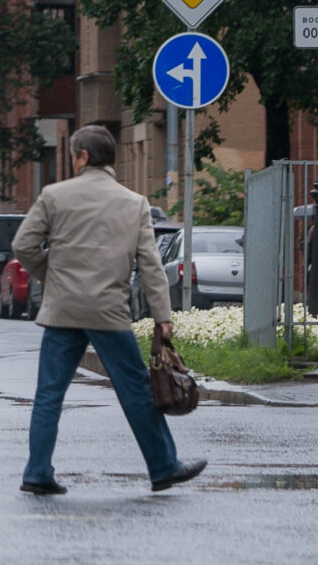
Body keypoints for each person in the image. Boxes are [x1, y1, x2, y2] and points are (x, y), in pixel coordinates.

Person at [15, 125, 204, 496]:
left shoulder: (54, 195)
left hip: (62, 312)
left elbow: (23, 245)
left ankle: (37, 473)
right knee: (135, 389)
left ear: (83, 157)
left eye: (73, 155)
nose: (72, 161)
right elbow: (150, 265)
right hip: (108, 312)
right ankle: (164, 466)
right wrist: (162, 316)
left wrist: (51, 276)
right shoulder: (133, 203)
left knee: (49, 394)